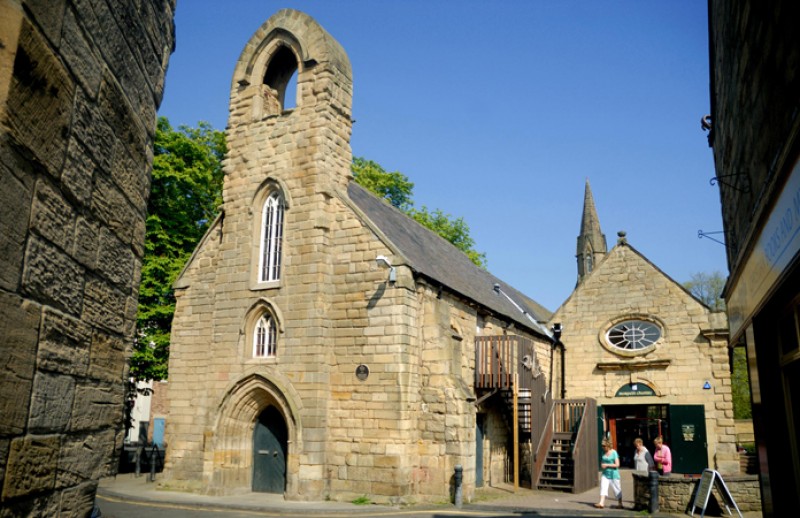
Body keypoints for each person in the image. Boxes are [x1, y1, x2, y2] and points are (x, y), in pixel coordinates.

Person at [595, 438, 623, 509]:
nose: (603, 447)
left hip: (614, 474)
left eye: (604, 446)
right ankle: (601, 503)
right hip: (605, 474)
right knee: (603, 487)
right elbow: (602, 462)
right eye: (602, 446)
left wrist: (607, 465)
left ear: (608, 445)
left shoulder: (614, 452)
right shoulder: (603, 453)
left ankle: (620, 504)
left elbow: (617, 464)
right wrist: (602, 465)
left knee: (617, 489)